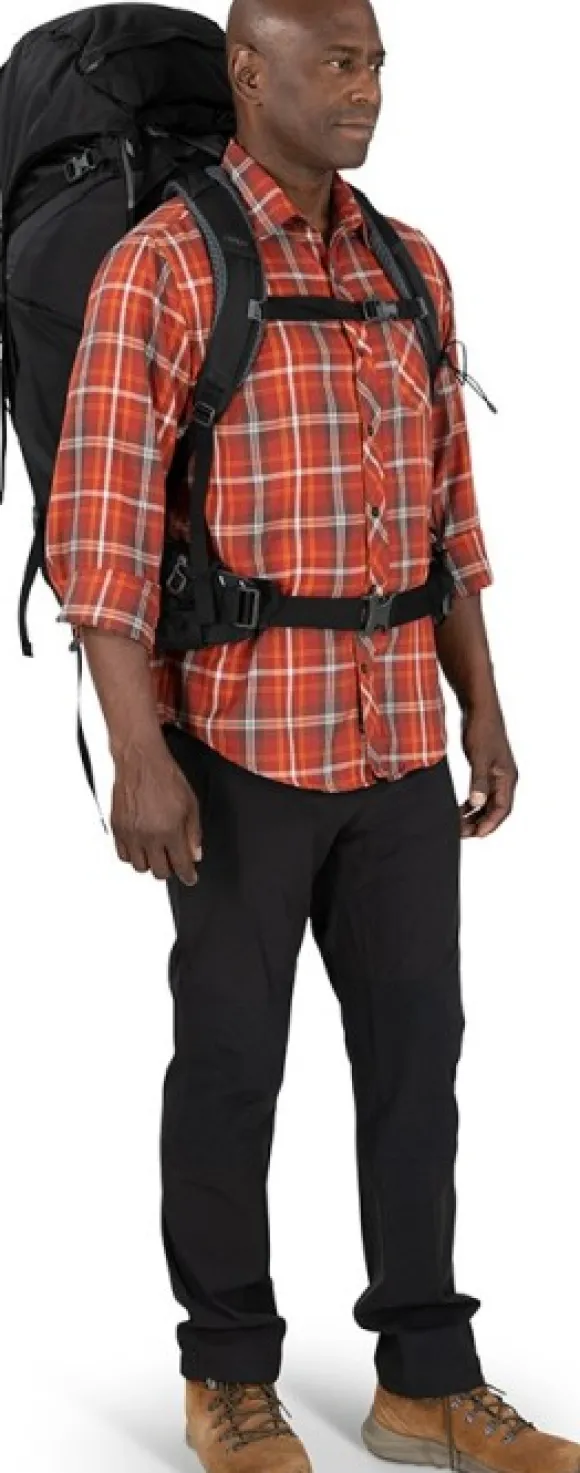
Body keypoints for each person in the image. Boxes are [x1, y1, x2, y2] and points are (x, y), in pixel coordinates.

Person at [44, 0, 579, 1469]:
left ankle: (426, 1378)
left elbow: (449, 512)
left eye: (378, 63)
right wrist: (139, 756)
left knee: (418, 1059)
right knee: (232, 1064)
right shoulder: (166, 263)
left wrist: (485, 706)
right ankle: (227, 1375)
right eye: (338, 62)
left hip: (397, 737)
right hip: (238, 744)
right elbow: (98, 531)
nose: (368, 89)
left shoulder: (412, 263)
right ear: (248, 70)